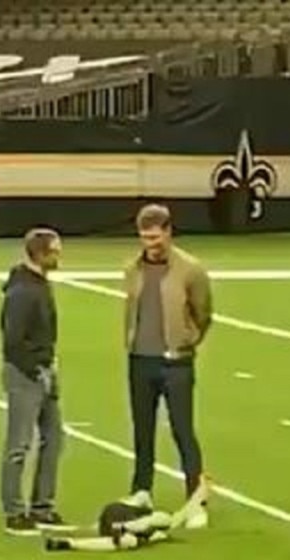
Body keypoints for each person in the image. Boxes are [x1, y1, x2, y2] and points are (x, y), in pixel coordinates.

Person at [121, 203, 213, 528]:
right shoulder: (132, 269)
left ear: (169, 232)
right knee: (142, 429)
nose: (152, 245)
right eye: (146, 238)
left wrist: (187, 341)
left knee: (182, 430)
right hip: (140, 359)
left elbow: (204, 312)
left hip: (176, 362)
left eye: (157, 238)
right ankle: (142, 488)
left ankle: (196, 497)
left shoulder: (190, 269)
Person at [0, 227, 70, 535]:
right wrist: (35, 369)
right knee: (20, 443)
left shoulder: (36, 285)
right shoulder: (23, 292)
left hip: (44, 369)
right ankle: (14, 511)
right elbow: (12, 341)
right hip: (26, 373)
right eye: (55, 250)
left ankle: (42, 505)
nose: (59, 256)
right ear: (41, 253)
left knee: (53, 439)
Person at [45, 476, 212, 552]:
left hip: (117, 515)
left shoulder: (149, 526)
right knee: (130, 535)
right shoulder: (158, 522)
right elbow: (180, 515)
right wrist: (202, 490)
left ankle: (67, 540)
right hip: (121, 519)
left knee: (123, 536)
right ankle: (68, 541)